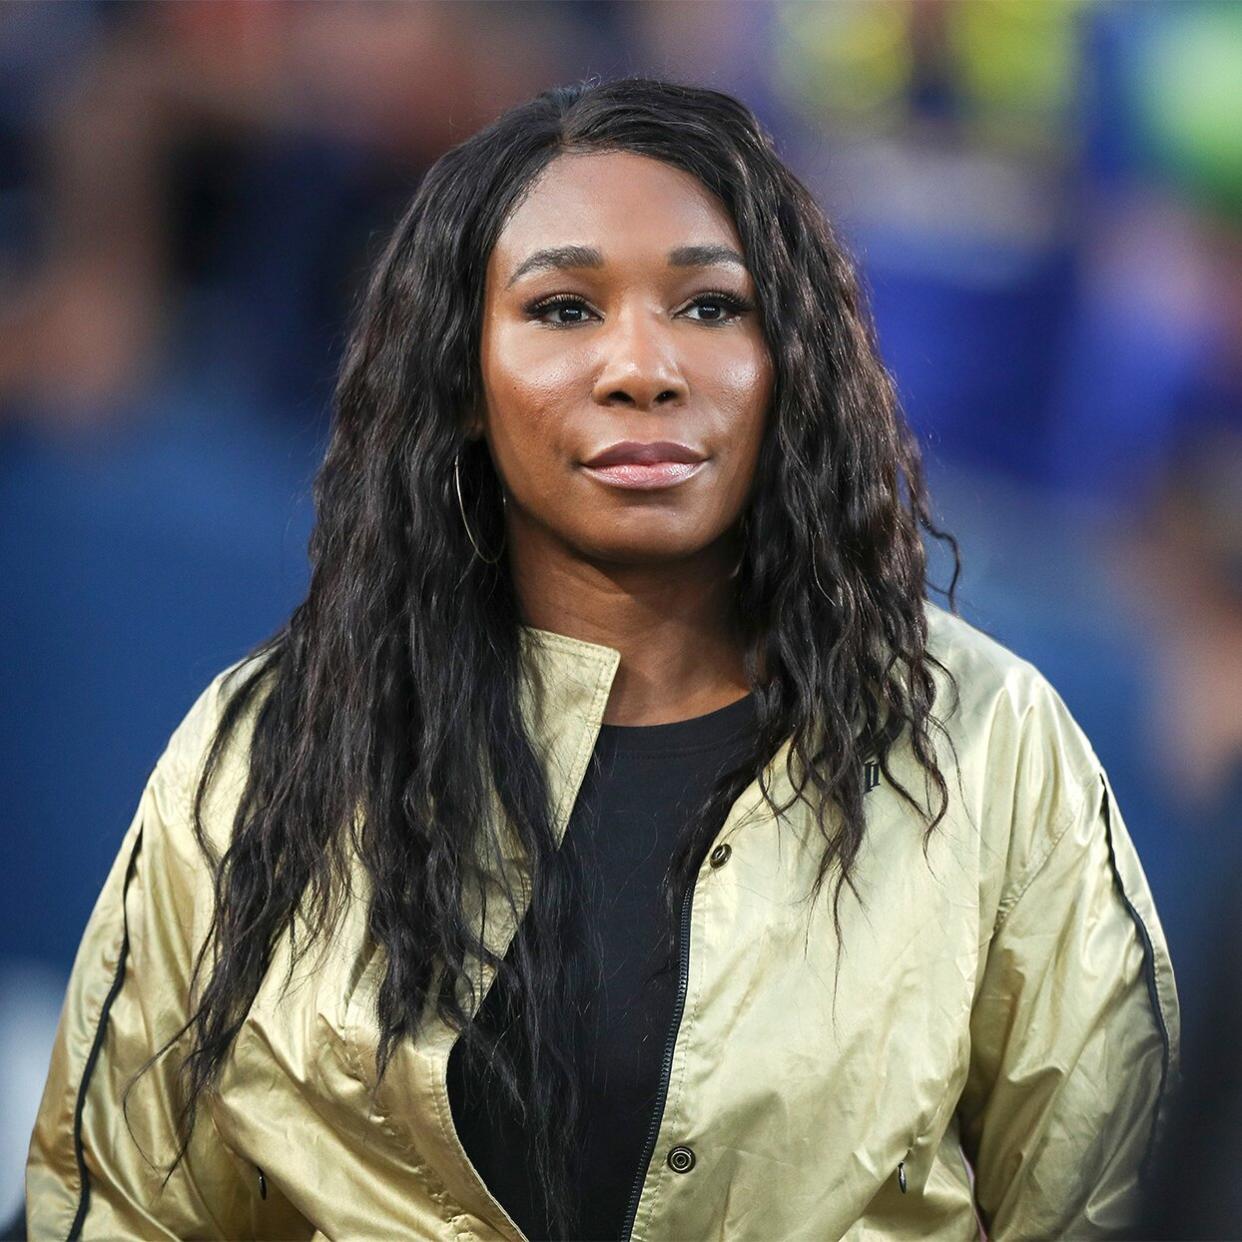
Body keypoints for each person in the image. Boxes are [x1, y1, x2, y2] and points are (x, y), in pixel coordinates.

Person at [26, 77, 1178, 1242]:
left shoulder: (983, 737)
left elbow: (1115, 1196)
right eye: (565, 308)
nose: (643, 368)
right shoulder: (273, 741)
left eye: (712, 306)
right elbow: (121, 1202)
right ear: (461, 378)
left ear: (795, 358)